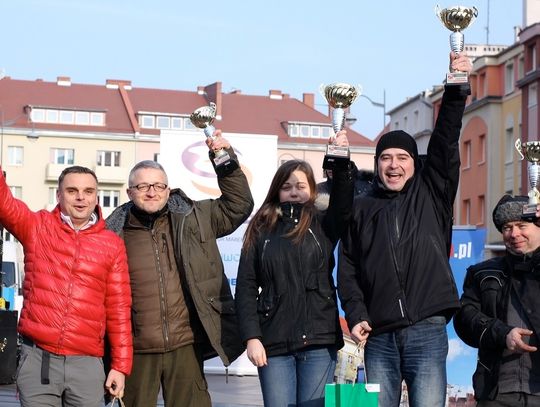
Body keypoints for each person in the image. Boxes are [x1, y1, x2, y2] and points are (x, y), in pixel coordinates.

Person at [337, 52, 472, 407]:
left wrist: (455, 88)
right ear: (377, 164)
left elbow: (445, 140)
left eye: (402, 158)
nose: (393, 165)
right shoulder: (362, 207)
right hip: (378, 335)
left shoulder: (433, 192)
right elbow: (348, 269)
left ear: (415, 164)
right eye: (385, 158)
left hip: (426, 329)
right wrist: (356, 314)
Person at [106, 129, 254, 407]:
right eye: (143, 186)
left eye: (158, 185)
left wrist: (223, 156)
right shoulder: (112, 232)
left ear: (168, 188)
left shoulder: (194, 216)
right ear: (129, 192)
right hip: (137, 351)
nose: (152, 192)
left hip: (185, 345)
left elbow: (239, 205)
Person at [235, 131, 355, 407]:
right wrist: (252, 337)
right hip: (274, 343)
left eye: (301, 185)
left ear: (312, 190)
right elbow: (246, 288)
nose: (293, 191)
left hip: (319, 340)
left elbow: (344, 199)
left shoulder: (325, 224)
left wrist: (339, 157)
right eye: (287, 185)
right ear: (277, 190)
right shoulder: (260, 230)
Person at [0, 166, 132, 406]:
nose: (81, 197)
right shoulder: (37, 226)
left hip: (87, 365)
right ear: (59, 195)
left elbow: (119, 309)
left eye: (88, 191)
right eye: (72, 191)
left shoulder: (112, 244)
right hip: (38, 359)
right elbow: (5, 204)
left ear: (96, 196)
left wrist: (120, 367)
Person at [454, 195, 540, 406]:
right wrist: (502, 334)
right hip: (496, 392)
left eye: (521, 225)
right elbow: (465, 319)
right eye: (507, 227)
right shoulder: (482, 272)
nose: (514, 234)